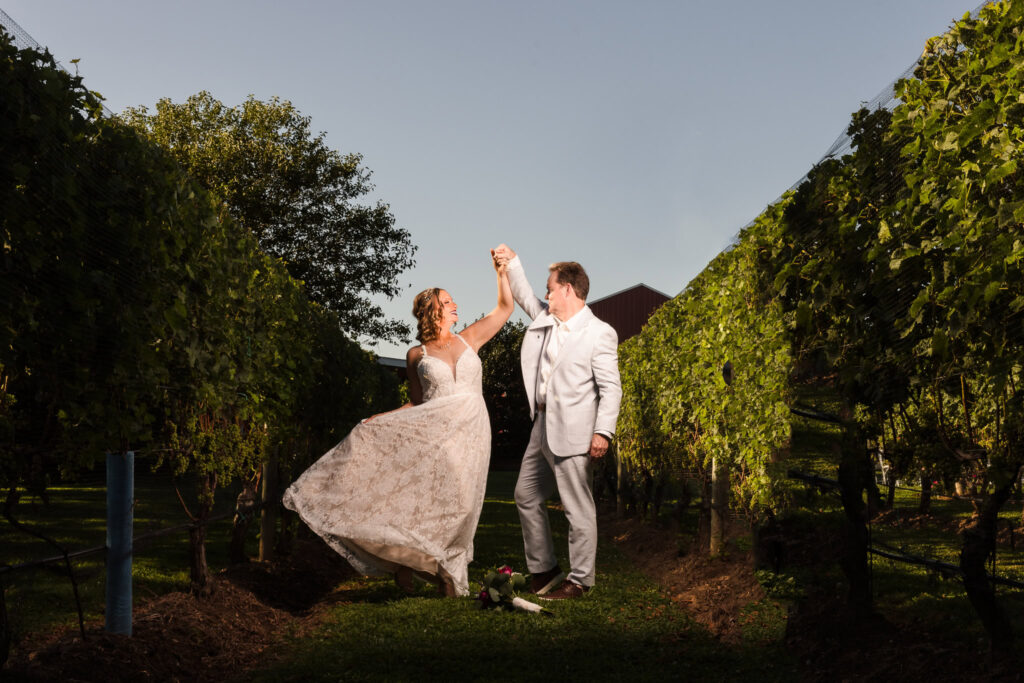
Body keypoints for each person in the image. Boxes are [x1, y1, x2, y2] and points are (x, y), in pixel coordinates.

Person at [282, 252, 513, 597]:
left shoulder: (470, 338)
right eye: (447, 302)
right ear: (432, 311)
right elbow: (418, 402)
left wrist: (501, 273)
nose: (455, 305)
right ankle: (439, 573)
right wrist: (381, 419)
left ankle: (423, 568)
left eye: (452, 301)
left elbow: (505, 309)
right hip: (435, 434)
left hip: (472, 432)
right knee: (438, 503)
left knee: (464, 504)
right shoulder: (416, 355)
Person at [491, 244, 622, 600]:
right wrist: (511, 261)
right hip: (542, 427)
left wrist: (602, 432)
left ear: (568, 289)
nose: (545, 293)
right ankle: (544, 570)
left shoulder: (600, 333)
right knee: (526, 495)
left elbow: (611, 388)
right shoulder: (547, 319)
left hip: (576, 433)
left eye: (550, 287)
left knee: (577, 508)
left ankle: (579, 581)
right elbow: (522, 296)